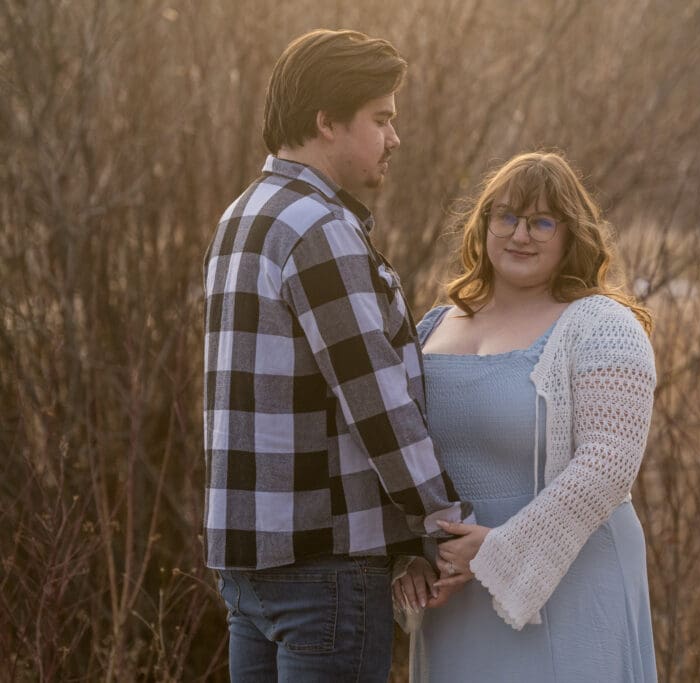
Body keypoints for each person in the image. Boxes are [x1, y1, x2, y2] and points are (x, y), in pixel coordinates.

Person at [202, 29, 473, 681]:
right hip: (323, 569)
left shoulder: (240, 218)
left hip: (247, 571)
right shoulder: (320, 229)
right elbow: (377, 403)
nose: (394, 138)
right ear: (327, 121)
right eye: (380, 119)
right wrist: (445, 524)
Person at [393, 151, 659, 681]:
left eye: (542, 222)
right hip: (455, 590)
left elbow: (609, 462)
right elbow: (396, 450)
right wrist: (404, 555)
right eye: (507, 217)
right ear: (484, 224)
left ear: (571, 234)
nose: (520, 235)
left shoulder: (602, 325)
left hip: (572, 584)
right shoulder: (432, 326)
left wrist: (499, 552)